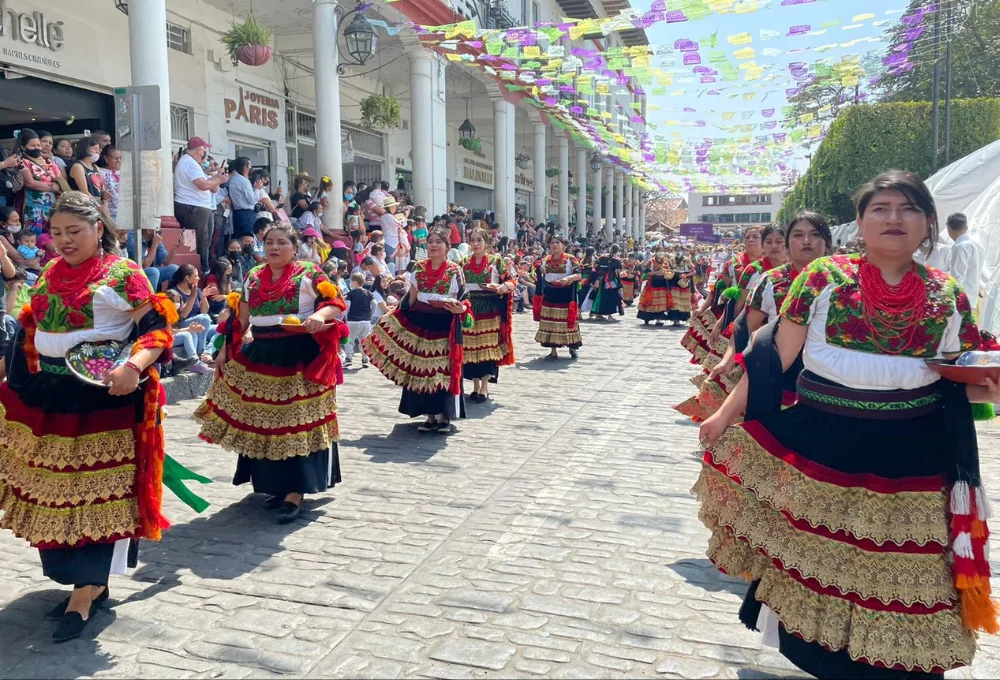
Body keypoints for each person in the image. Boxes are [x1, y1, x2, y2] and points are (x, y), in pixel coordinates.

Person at [696, 171, 1000, 679]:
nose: (894, 219)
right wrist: (724, 415)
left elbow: (956, 379)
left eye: (908, 209)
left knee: (908, 580)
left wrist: (990, 389)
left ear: (928, 223)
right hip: (824, 448)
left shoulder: (949, 296)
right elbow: (772, 358)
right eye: (881, 208)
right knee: (821, 567)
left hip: (915, 460)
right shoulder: (823, 279)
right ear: (860, 222)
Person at [0, 191, 176, 642]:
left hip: (101, 400)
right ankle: (80, 581)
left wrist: (133, 366)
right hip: (47, 398)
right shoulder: (50, 274)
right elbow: (28, 330)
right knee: (54, 493)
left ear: (99, 228)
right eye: (57, 233)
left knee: (95, 495)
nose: (63, 241)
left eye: (74, 232)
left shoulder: (123, 274)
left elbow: (156, 329)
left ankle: (88, 589)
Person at [195, 223, 348, 523]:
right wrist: (225, 349)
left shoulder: (309, 272)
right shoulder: (253, 276)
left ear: (294, 247)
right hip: (262, 354)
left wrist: (318, 315)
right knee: (261, 422)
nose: (274, 248)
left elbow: (334, 303)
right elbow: (241, 320)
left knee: (296, 423)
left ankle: (295, 491)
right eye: (269, 243)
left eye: (281, 243)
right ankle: (274, 485)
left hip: (298, 354)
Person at [364, 225, 472, 432]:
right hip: (421, 325)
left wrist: (460, 308)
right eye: (430, 241)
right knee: (423, 371)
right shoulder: (419, 268)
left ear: (447, 246)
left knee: (442, 371)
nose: (433, 245)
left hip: (445, 326)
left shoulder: (455, 270)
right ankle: (429, 416)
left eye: (438, 242)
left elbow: (464, 299)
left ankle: (445, 417)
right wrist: (391, 318)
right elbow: (410, 300)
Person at [461, 227, 516, 402]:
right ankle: (475, 386)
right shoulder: (463, 262)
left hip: (490, 309)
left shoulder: (496, 261)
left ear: (487, 242)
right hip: (470, 309)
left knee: (486, 348)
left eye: (479, 240)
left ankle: (484, 386)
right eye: (473, 240)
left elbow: (511, 279)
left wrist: (501, 288)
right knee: (470, 348)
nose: (476, 244)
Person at [174, 137, 226, 274]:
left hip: (200, 207)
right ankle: (200, 270)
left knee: (204, 243)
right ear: (199, 150)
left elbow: (213, 188)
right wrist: (219, 179)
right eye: (204, 150)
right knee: (198, 243)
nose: (205, 154)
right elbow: (203, 185)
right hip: (192, 208)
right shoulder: (189, 162)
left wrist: (215, 178)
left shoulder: (193, 164)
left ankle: (201, 269)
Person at [534, 236, 583, 359]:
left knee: (567, 320)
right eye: (552, 242)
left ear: (563, 245)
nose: (554, 245)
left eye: (557, 242)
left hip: (566, 293)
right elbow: (540, 273)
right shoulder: (545, 260)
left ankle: (572, 347)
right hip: (550, 292)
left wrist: (567, 278)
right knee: (550, 321)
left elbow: (578, 274)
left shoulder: (571, 259)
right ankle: (553, 351)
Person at [16, 129, 63, 238]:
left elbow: (61, 182)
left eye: (38, 144)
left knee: (53, 236)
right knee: (34, 237)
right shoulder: (23, 162)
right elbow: (30, 183)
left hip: (53, 206)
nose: (36, 147)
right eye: (32, 145)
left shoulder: (51, 163)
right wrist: (52, 187)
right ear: (23, 147)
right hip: (33, 208)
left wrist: (55, 187)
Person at [169, 264, 215, 361]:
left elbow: (204, 311)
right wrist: (193, 296)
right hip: (182, 324)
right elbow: (183, 315)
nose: (198, 278)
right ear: (188, 278)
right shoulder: (174, 293)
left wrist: (203, 296)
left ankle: (209, 352)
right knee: (204, 318)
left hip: (200, 325)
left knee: (222, 328)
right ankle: (201, 352)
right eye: (196, 276)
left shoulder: (196, 290)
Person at [126, 227, 180, 293]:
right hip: (135, 273)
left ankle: (171, 298)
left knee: (174, 269)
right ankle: (150, 300)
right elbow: (144, 266)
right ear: (149, 230)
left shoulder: (155, 237)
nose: (159, 229)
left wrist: (176, 247)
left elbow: (166, 261)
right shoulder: (133, 238)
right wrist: (154, 245)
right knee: (153, 271)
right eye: (156, 227)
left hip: (152, 273)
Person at [946, 213, 983, 309]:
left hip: (961, 302)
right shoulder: (976, 245)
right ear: (966, 227)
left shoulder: (961, 247)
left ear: (949, 229)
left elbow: (957, 278)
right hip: (971, 299)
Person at [584, 244, 623, 321]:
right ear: (617, 251)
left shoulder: (601, 258)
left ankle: (598, 314)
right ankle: (609, 315)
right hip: (610, 281)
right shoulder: (616, 261)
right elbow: (619, 271)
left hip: (600, 280)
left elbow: (595, 266)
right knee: (610, 297)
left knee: (599, 296)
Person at [343, 272, 374, 368]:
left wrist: (346, 316)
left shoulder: (350, 294)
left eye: (351, 282)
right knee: (364, 340)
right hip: (366, 321)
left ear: (355, 283)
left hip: (353, 320)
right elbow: (375, 304)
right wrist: (370, 314)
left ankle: (348, 358)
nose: (350, 284)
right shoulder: (369, 293)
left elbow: (347, 305)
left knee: (349, 340)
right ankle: (365, 358)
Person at [637, 246, 671, 326]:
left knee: (660, 302)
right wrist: (656, 272)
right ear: (655, 252)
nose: (661, 252)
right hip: (652, 284)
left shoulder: (666, 261)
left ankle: (659, 319)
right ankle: (647, 318)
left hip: (662, 285)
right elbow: (647, 273)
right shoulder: (651, 262)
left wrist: (665, 272)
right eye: (659, 251)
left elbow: (668, 270)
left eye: (662, 251)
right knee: (650, 301)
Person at [226, 157, 257, 238]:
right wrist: (257, 189)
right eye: (250, 166)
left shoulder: (233, 179)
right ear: (245, 167)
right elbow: (252, 200)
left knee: (238, 238)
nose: (251, 169)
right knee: (247, 238)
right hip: (246, 214)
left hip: (237, 213)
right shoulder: (244, 181)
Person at [67, 137, 105, 202]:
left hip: (97, 204)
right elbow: (84, 191)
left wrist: (105, 200)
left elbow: (103, 190)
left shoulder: (96, 167)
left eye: (99, 149)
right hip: (84, 204)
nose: (98, 152)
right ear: (85, 149)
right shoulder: (78, 166)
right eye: (95, 149)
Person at [99, 145, 122, 221]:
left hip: (126, 212)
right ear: (106, 158)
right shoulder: (100, 171)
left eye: (120, 158)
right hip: (109, 213)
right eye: (115, 158)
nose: (118, 160)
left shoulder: (127, 171)